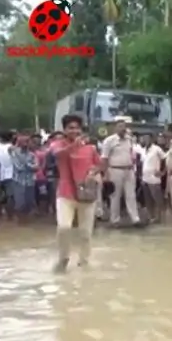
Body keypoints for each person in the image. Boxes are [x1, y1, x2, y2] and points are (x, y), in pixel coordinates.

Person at [51, 115, 102, 272]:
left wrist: (93, 173)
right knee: (64, 227)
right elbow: (57, 155)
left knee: (86, 233)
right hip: (66, 194)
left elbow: (99, 165)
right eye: (70, 127)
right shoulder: (57, 144)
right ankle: (63, 259)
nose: (74, 130)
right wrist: (73, 146)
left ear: (81, 129)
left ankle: (84, 262)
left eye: (76, 127)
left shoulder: (90, 148)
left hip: (86, 195)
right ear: (64, 130)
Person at [101, 118, 141, 227]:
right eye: (120, 126)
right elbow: (104, 158)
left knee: (131, 195)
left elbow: (132, 154)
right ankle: (115, 220)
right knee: (115, 195)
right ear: (115, 128)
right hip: (115, 170)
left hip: (129, 170)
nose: (122, 129)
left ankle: (135, 218)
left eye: (124, 126)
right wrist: (105, 174)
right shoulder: (109, 141)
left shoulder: (129, 140)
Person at [10, 133, 37, 224]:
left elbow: (37, 167)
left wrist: (29, 166)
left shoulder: (32, 154)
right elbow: (19, 167)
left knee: (29, 204)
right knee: (20, 204)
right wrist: (30, 165)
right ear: (19, 142)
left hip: (30, 182)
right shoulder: (14, 152)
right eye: (24, 141)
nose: (26, 143)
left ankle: (26, 222)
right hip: (19, 181)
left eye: (28, 141)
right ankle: (20, 223)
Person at [140, 133, 166, 223]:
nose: (146, 140)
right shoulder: (143, 150)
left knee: (157, 198)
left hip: (154, 178)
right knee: (148, 199)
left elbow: (165, 159)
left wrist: (163, 172)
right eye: (144, 138)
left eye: (148, 138)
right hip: (145, 178)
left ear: (152, 139)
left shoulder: (157, 149)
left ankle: (161, 217)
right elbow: (142, 163)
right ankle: (152, 216)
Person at [0, 131, 15, 220]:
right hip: (11, 175)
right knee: (10, 196)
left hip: (1, 174)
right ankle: (10, 216)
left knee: (1, 196)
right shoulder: (11, 148)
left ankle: (1, 216)